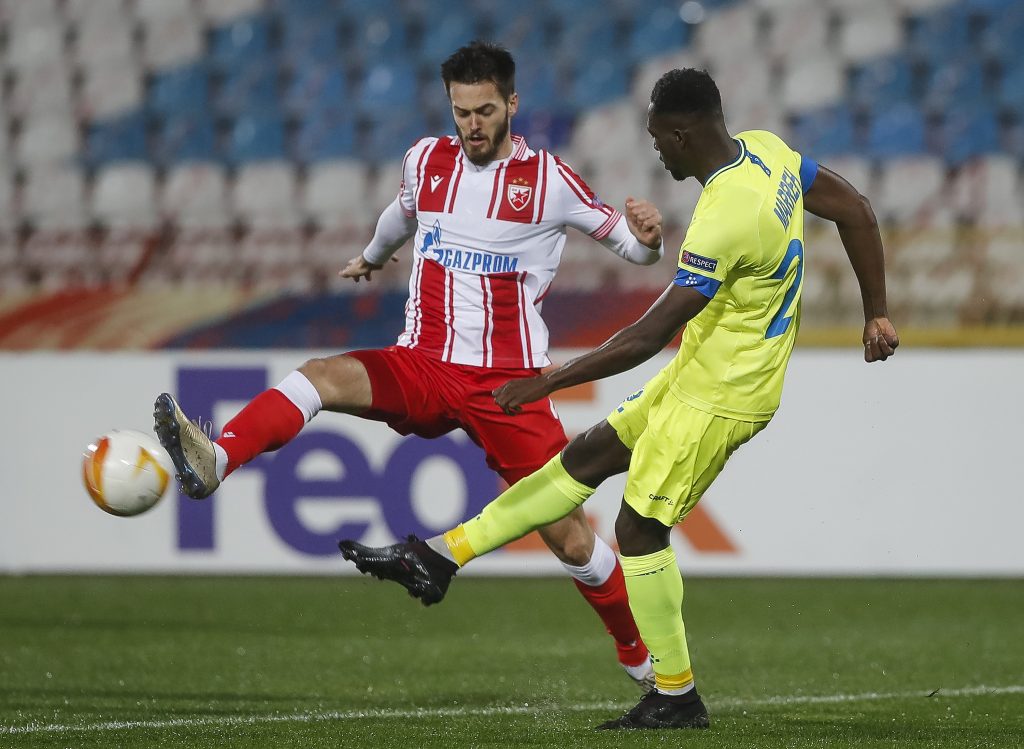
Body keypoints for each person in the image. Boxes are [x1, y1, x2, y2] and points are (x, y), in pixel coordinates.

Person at [338, 67, 900, 730]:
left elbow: (646, 336)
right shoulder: (771, 153)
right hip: (701, 372)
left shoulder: (724, 216)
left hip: (724, 394)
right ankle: (437, 556)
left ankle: (677, 694)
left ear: (684, 132)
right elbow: (857, 209)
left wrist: (547, 380)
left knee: (638, 529)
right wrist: (877, 314)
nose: (656, 150)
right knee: (584, 459)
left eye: (659, 137)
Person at [153, 42, 668, 690]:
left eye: (485, 110)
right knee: (321, 375)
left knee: (569, 539)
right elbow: (400, 214)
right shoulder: (427, 160)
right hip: (423, 362)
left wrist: (647, 240)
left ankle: (639, 660)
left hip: (507, 385)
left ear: (511, 105)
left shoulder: (548, 182)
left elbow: (628, 245)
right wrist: (371, 255)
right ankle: (217, 460)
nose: (472, 124)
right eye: (462, 111)